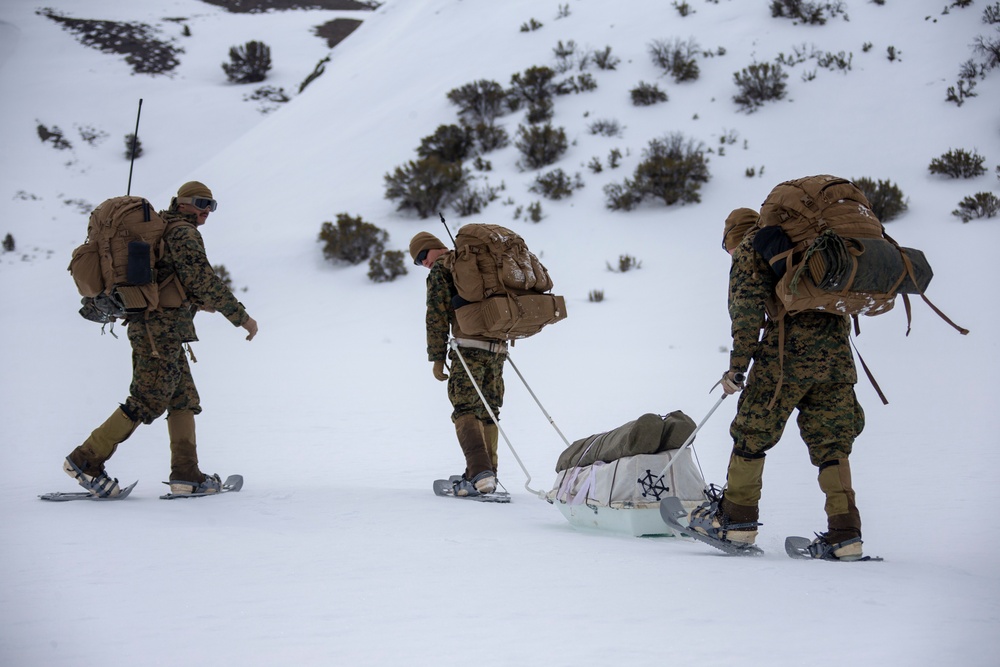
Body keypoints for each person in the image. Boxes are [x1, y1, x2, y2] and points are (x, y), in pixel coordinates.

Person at [687, 207, 866, 560]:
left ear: (731, 240)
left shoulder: (750, 247)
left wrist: (737, 367)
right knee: (832, 440)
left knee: (752, 431)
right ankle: (846, 535)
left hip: (787, 356)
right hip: (837, 356)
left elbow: (746, 309)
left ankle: (736, 523)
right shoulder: (803, 247)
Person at [63, 181, 259, 497]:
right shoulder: (183, 233)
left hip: (163, 329)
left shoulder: (164, 229)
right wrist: (241, 317)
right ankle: (85, 460)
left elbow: (181, 282)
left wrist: (196, 301)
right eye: (201, 204)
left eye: (212, 205)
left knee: (183, 398)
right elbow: (203, 280)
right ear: (181, 203)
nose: (206, 212)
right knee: (148, 398)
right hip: (159, 331)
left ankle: (186, 475)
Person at [410, 231, 501, 496]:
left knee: (464, 407)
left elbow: (436, 316)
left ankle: (480, 473)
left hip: (468, 348)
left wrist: (437, 357)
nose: (422, 263)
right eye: (418, 262)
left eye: (422, 255)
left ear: (434, 248)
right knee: (488, 407)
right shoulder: (477, 264)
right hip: (497, 346)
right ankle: (488, 473)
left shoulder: (442, 269)